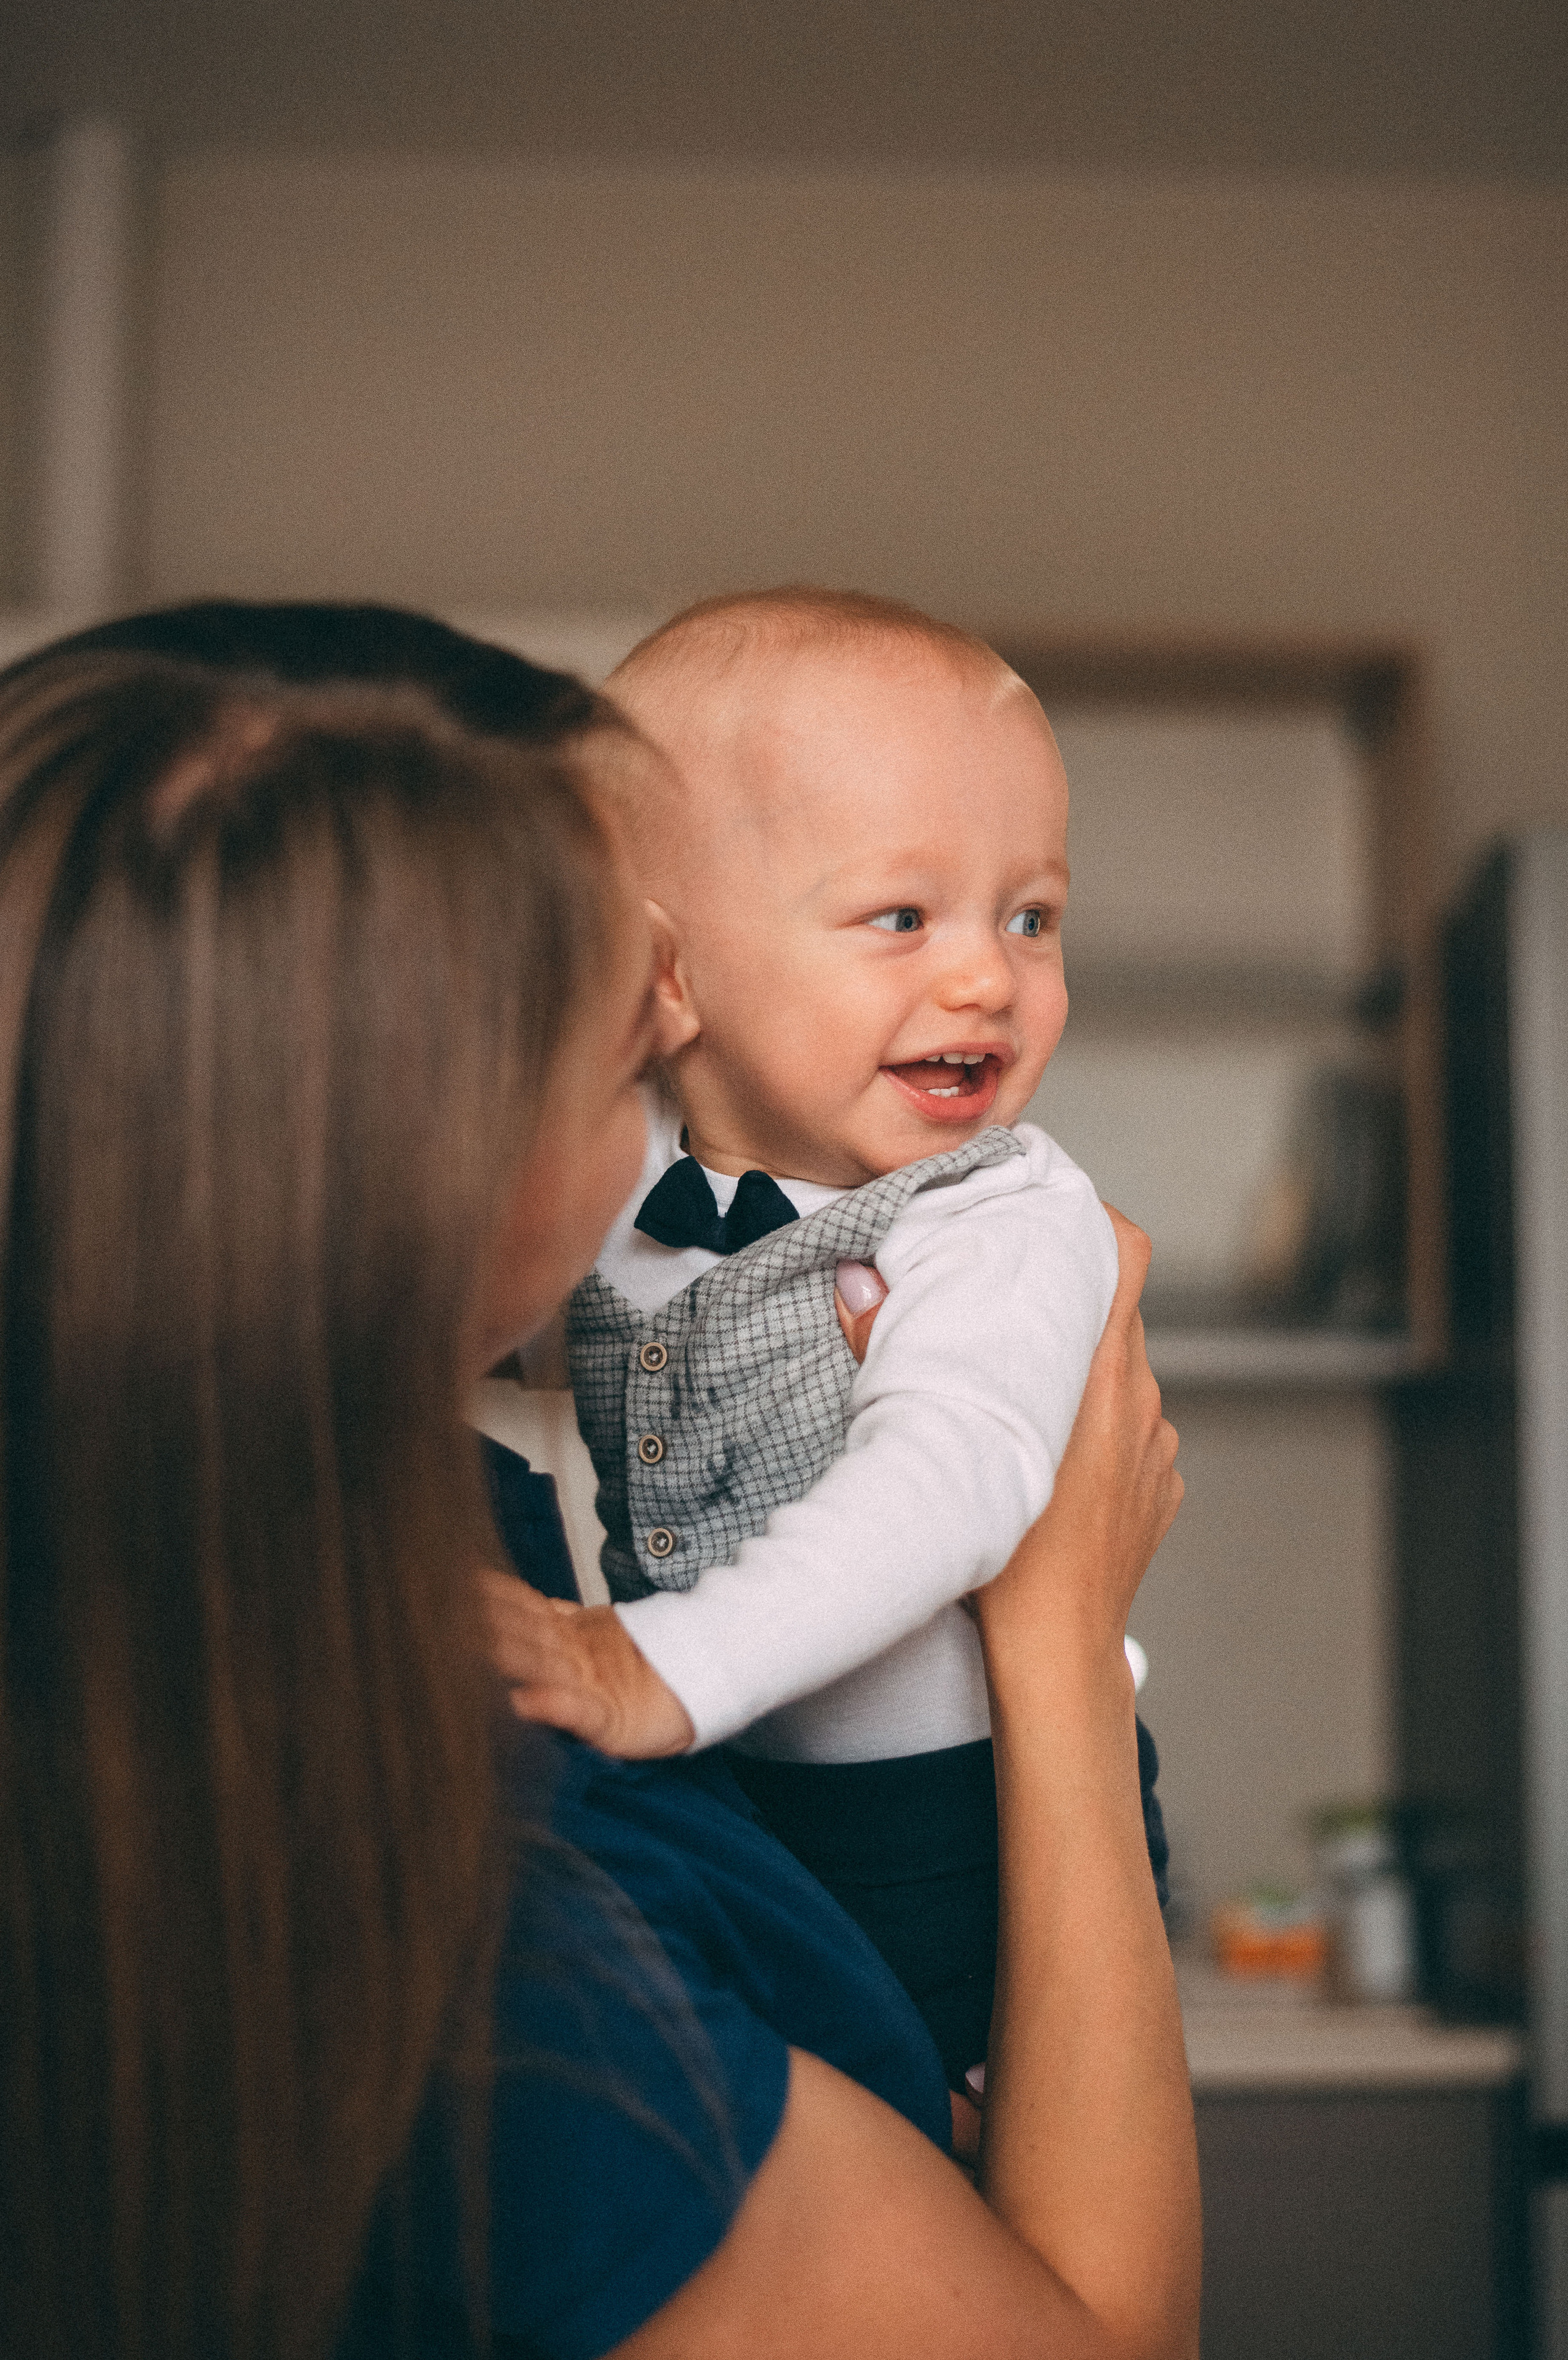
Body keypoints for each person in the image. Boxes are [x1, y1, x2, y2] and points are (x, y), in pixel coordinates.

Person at [0, 607, 1196, 2360]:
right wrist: (1063, 1637)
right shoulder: (511, 1970)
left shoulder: (416, 1576)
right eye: (631, 1049)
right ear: (456, 1194)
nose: (673, 1039)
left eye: (1032, 915)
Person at [489, 585, 1161, 2083]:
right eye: (900, 916)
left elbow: (949, 1486)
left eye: (1029, 915)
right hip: (738, 1792)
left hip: (956, 1826)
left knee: (972, 2205)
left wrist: (653, 1670)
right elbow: (509, 1324)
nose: (986, 975)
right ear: (668, 971)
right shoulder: (620, 1176)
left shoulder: (998, 1217)